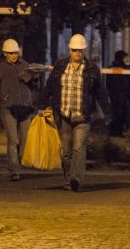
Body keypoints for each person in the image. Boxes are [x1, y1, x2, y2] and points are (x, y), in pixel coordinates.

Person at [39, 33, 111, 192]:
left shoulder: (92, 69)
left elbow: (101, 93)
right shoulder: (60, 67)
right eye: (74, 50)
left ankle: (76, 180)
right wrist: (42, 105)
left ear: (84, 51)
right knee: (66, 152)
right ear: (70, 50)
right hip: (64, 115)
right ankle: (67, 180)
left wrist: (107, 112)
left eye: (80, 50)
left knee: (79, 148)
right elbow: (50, 86)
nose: (77, 53)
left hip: (83, 116)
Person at [0, 38, 35, 181]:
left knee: (25, 139)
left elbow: (34, 84)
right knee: (13, 139)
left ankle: (19, 163)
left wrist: (34, 76)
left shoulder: (25, 66)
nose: (14, 55)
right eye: (11, 53)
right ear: (5, 54)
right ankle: (14, 170)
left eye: (15, 53)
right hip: (7, 108)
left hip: (25, 107)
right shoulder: (0, 69)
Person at [106, 50, 130, 136]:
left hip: (113, 93)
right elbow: (129, 80)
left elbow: (107, 81)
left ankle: (113, 130)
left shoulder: (110, 68)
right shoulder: (126, 68)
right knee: (121, 112)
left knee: (114, 111)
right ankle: (119, 130)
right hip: (122, 94)